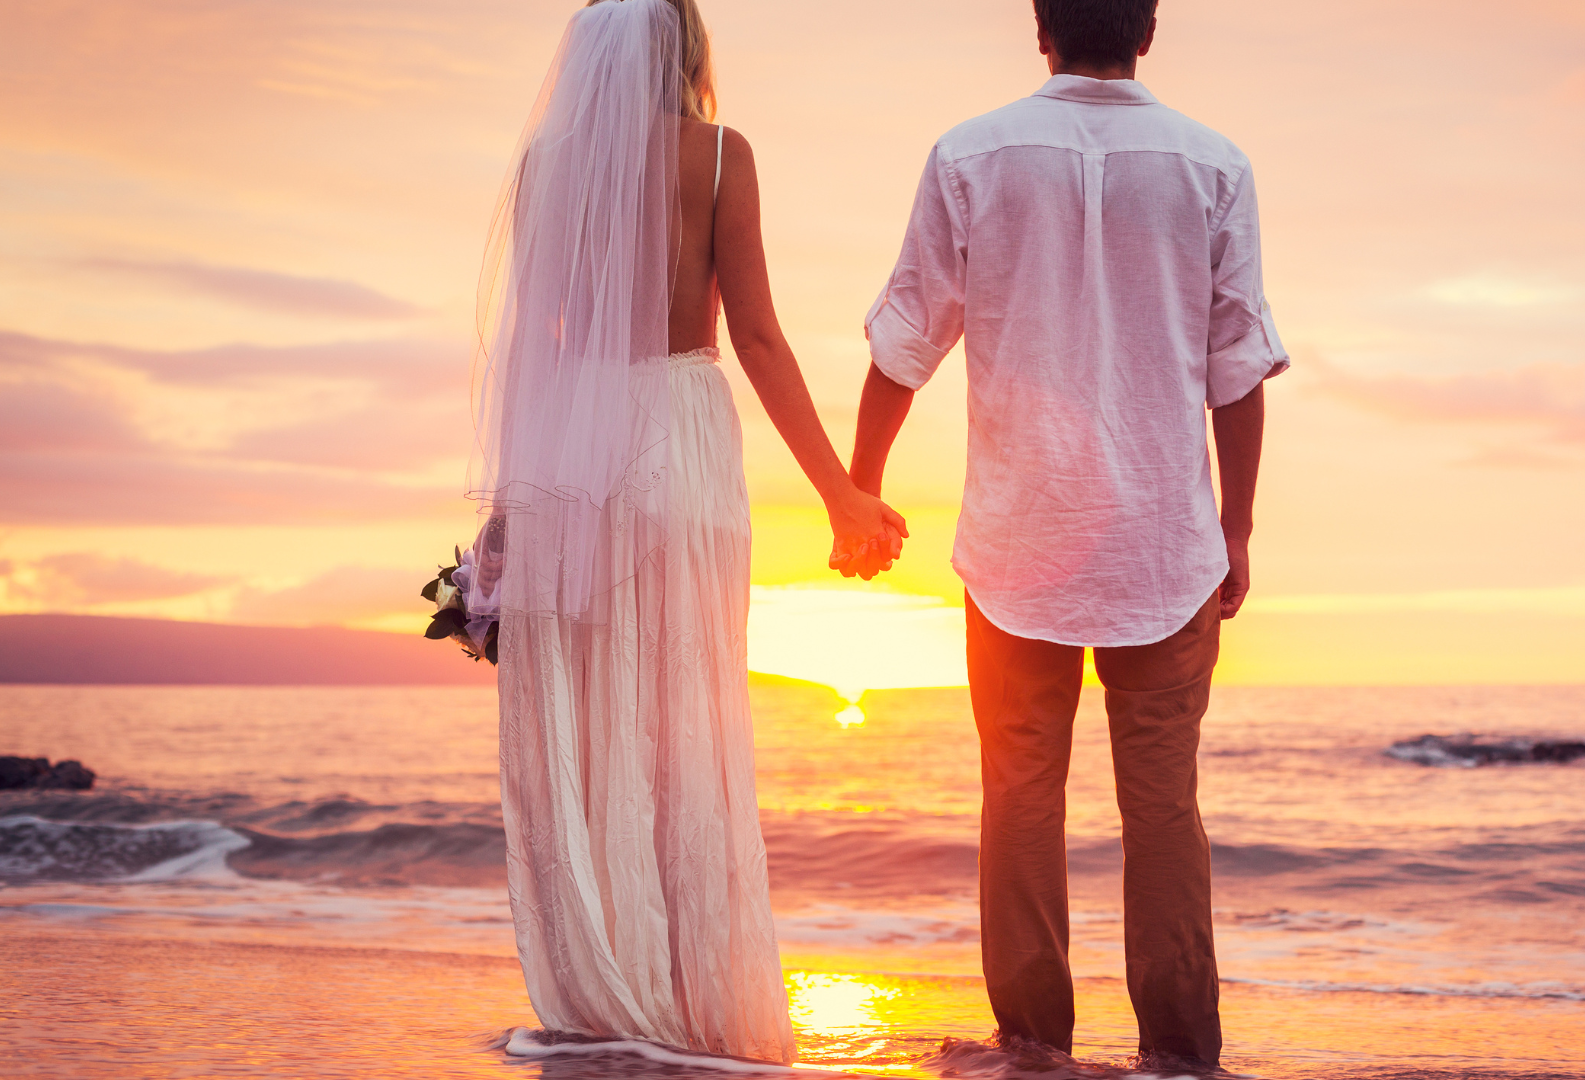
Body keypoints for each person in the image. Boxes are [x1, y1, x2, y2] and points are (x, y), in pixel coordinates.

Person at [845, 0, 1288, 1068]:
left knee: (1021, 798)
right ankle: (1182, 1054)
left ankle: (1033, 1046)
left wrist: (862, 483)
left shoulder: (972, 153)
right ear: (1149, 28)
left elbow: (906, 342)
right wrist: (1236, 528)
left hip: (1018, 547)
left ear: (1040, 27)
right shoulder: (1212, 164)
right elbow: (1237, 368)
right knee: (1165, 808)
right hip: (1162, 543)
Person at [463, 0, 904, 1061]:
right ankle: (701, 996)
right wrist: (840, 491)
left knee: (599, 721)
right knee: (690, 721)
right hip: (683, 434)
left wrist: (504, 513)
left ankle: (606, 990)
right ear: (689, 50)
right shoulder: (718, 158)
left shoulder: (545, 168)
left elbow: (535, 345)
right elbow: (753, 330)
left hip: (574, 440)